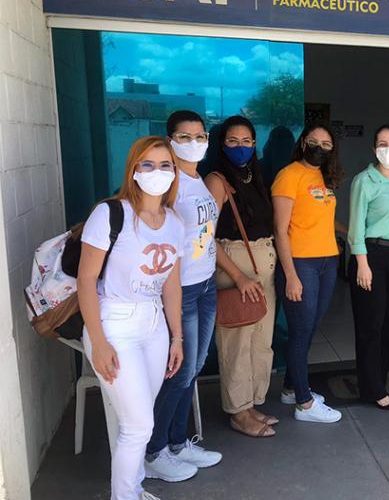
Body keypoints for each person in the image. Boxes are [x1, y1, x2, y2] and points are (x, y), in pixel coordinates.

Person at [78, 136, 185, 500]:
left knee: (139, 420)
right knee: (139, 426)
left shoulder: (174, 221)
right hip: (114, 322)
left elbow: (171, 285)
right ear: (133, 170)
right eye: (148, 165)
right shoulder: (111, 214)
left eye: (165, 165)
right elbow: (86, 280)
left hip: (153, 325)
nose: (157, 172)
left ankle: (134, 489)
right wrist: (98, 341)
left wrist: (177, 337)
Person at [143, 111, 222, 482]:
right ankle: (153, 450)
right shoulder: (170, 182)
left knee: (194, 366)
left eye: (200, 136)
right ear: (169, 140)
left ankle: (177, 442)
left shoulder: (198, 179)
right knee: (179, 371)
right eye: (184, 137)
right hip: (183, 289)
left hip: (206, 284)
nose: (194, 143)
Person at [205, 115, 278, 437]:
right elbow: (205, 237)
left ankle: (252, 403)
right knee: (237, 344)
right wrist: (238, 277)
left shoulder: (255, 176)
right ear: (222, 144)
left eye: (246, 141)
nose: (240, 147)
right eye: (233, 141)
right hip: (235, 266)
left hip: (263, 266)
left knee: (261, 342)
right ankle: (238, 411)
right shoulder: (217, 181)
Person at [272, 122, 344, 423]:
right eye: (314, 141)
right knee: (301, 330)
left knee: (311, 327)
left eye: (326, 144)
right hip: (301, 263)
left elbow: (323, 218)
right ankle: (304, 403)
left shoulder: (324, 176)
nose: (319, 148)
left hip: (328, 260)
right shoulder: (288, 175)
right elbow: (280, 230)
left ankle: (291, 388)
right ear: (303, 143)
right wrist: (290, 275)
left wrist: (349, 232)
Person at [347, 124, 389, 411]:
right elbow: (355, 226)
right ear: (374, 149)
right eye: (383, 144)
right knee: (370, 325)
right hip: (370, 255)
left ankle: (379, 379)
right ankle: (372, 388)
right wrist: (362, 264)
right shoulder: (365, 181)